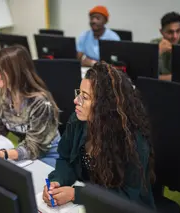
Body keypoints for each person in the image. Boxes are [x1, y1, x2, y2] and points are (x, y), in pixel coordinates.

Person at [43, 62, 155, 209]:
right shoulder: (77, 120)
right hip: (91, 202)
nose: (76, 101)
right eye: (79, 93)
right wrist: (57, 181)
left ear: (105, 106)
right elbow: (65, 159)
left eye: (86, 97)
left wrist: (76, 194)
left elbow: (127, 196)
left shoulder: (132, 141)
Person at [151, 12, 180, 81]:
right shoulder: (154, 44)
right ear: (161, 32)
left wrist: (158, 78)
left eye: (178, 31)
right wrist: (158, 51)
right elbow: (144, 73)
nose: (175, 36)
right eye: (170, 32)